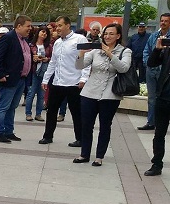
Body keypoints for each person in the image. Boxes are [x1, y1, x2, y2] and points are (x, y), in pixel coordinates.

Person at [73, 23, 131, 167]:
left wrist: (110, 54)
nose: (107, 36)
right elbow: (79, 66)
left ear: (118, 36)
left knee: (105, 125)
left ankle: (99, 157)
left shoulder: (125, 51)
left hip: (110, 94)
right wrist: (81, 54)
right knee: (86, 124)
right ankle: (84, 154)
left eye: (111, 34)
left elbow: (123, 68)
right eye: (105, 33)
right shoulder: (95, 50)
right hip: (90, 92)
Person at [39, 16, 89, 146]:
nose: (58, 28)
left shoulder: (79, 39)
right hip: (57, 82)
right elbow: (53, 62)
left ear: (68, 25)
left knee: (76, 112)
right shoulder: (57, 42)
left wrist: (83, 78)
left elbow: (86, 60)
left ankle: (80, 138)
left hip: (74, 82)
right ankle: (48, 136)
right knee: (51, 111)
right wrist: (46, 79)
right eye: (57, 26)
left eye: (60, 25)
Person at [0, 15, 32, 143]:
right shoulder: (8, 38)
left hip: (21, 79)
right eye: (28, 26)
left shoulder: (24, 41)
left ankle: (9, 131)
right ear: (19, 26)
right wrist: (1, 74)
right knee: (4, 106)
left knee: (12, 107)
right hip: (9, 79)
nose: (30, 28)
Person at [144, 32, 170, 176]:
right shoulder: (167, 49)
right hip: (164, 96)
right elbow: (151, 63)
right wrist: (157, 49)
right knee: (159, 134)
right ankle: (156, 164)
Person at [141, 13, 170, 131]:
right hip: (151, 71)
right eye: (161, 21)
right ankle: (151, 122)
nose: (163, 23)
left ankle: (161, 122)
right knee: (152, 98)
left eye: (166, 21)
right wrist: (149, 63)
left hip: (164, 73)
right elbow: (146, 51)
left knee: (164, 98)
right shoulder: (154, 36)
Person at [24, 26, 52, 122]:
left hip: (44, 72)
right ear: (38, 33)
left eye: (46, 33)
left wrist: (46, 59)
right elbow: (26, 58)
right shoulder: (31, 45)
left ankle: (38, 114)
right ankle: (28, 113)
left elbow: (53, 58)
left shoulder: (49, 46)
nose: (44, 34)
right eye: (42, 32)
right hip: (33, 71)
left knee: (41, 94)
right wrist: (34, 58)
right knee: (31, 93)